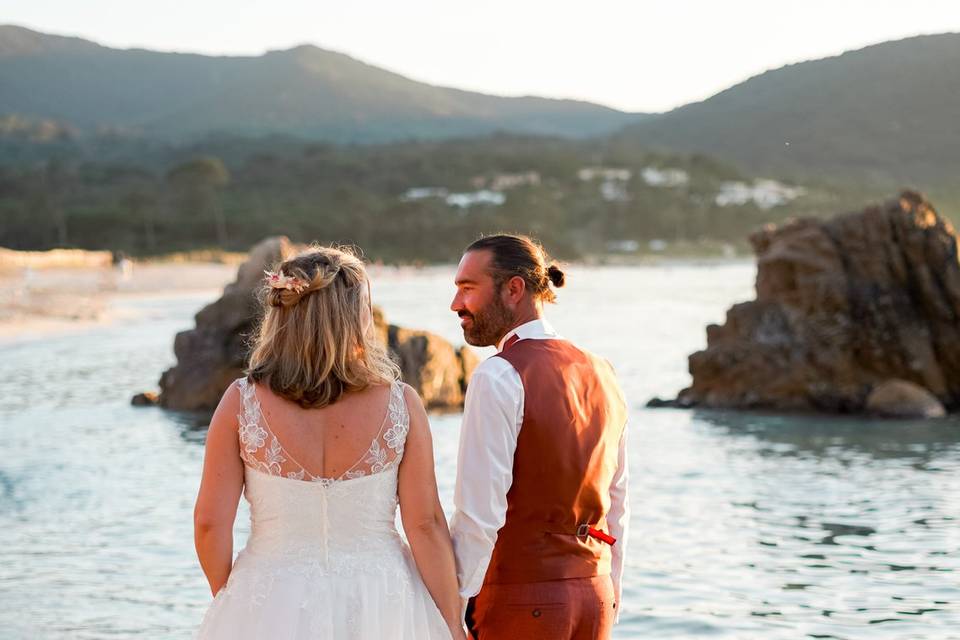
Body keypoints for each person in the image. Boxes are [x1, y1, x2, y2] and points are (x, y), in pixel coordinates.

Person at [193, 245, 465, 640]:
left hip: (270, 596)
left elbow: (209, 525)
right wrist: (452, 624)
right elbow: (425, 525)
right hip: (383, 600)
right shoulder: (401, 403)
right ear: (355, 318)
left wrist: (233, 600)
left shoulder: (241, 401)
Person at [449, 234, 629, 640]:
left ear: (514, 289)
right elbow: (617, 503)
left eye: (467, 288)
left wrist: (453, 606)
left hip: (520, 601)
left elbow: (479, 514)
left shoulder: (498, 374)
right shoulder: (603, 372)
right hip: (595, 596)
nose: (456, 304)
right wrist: (612, 590)